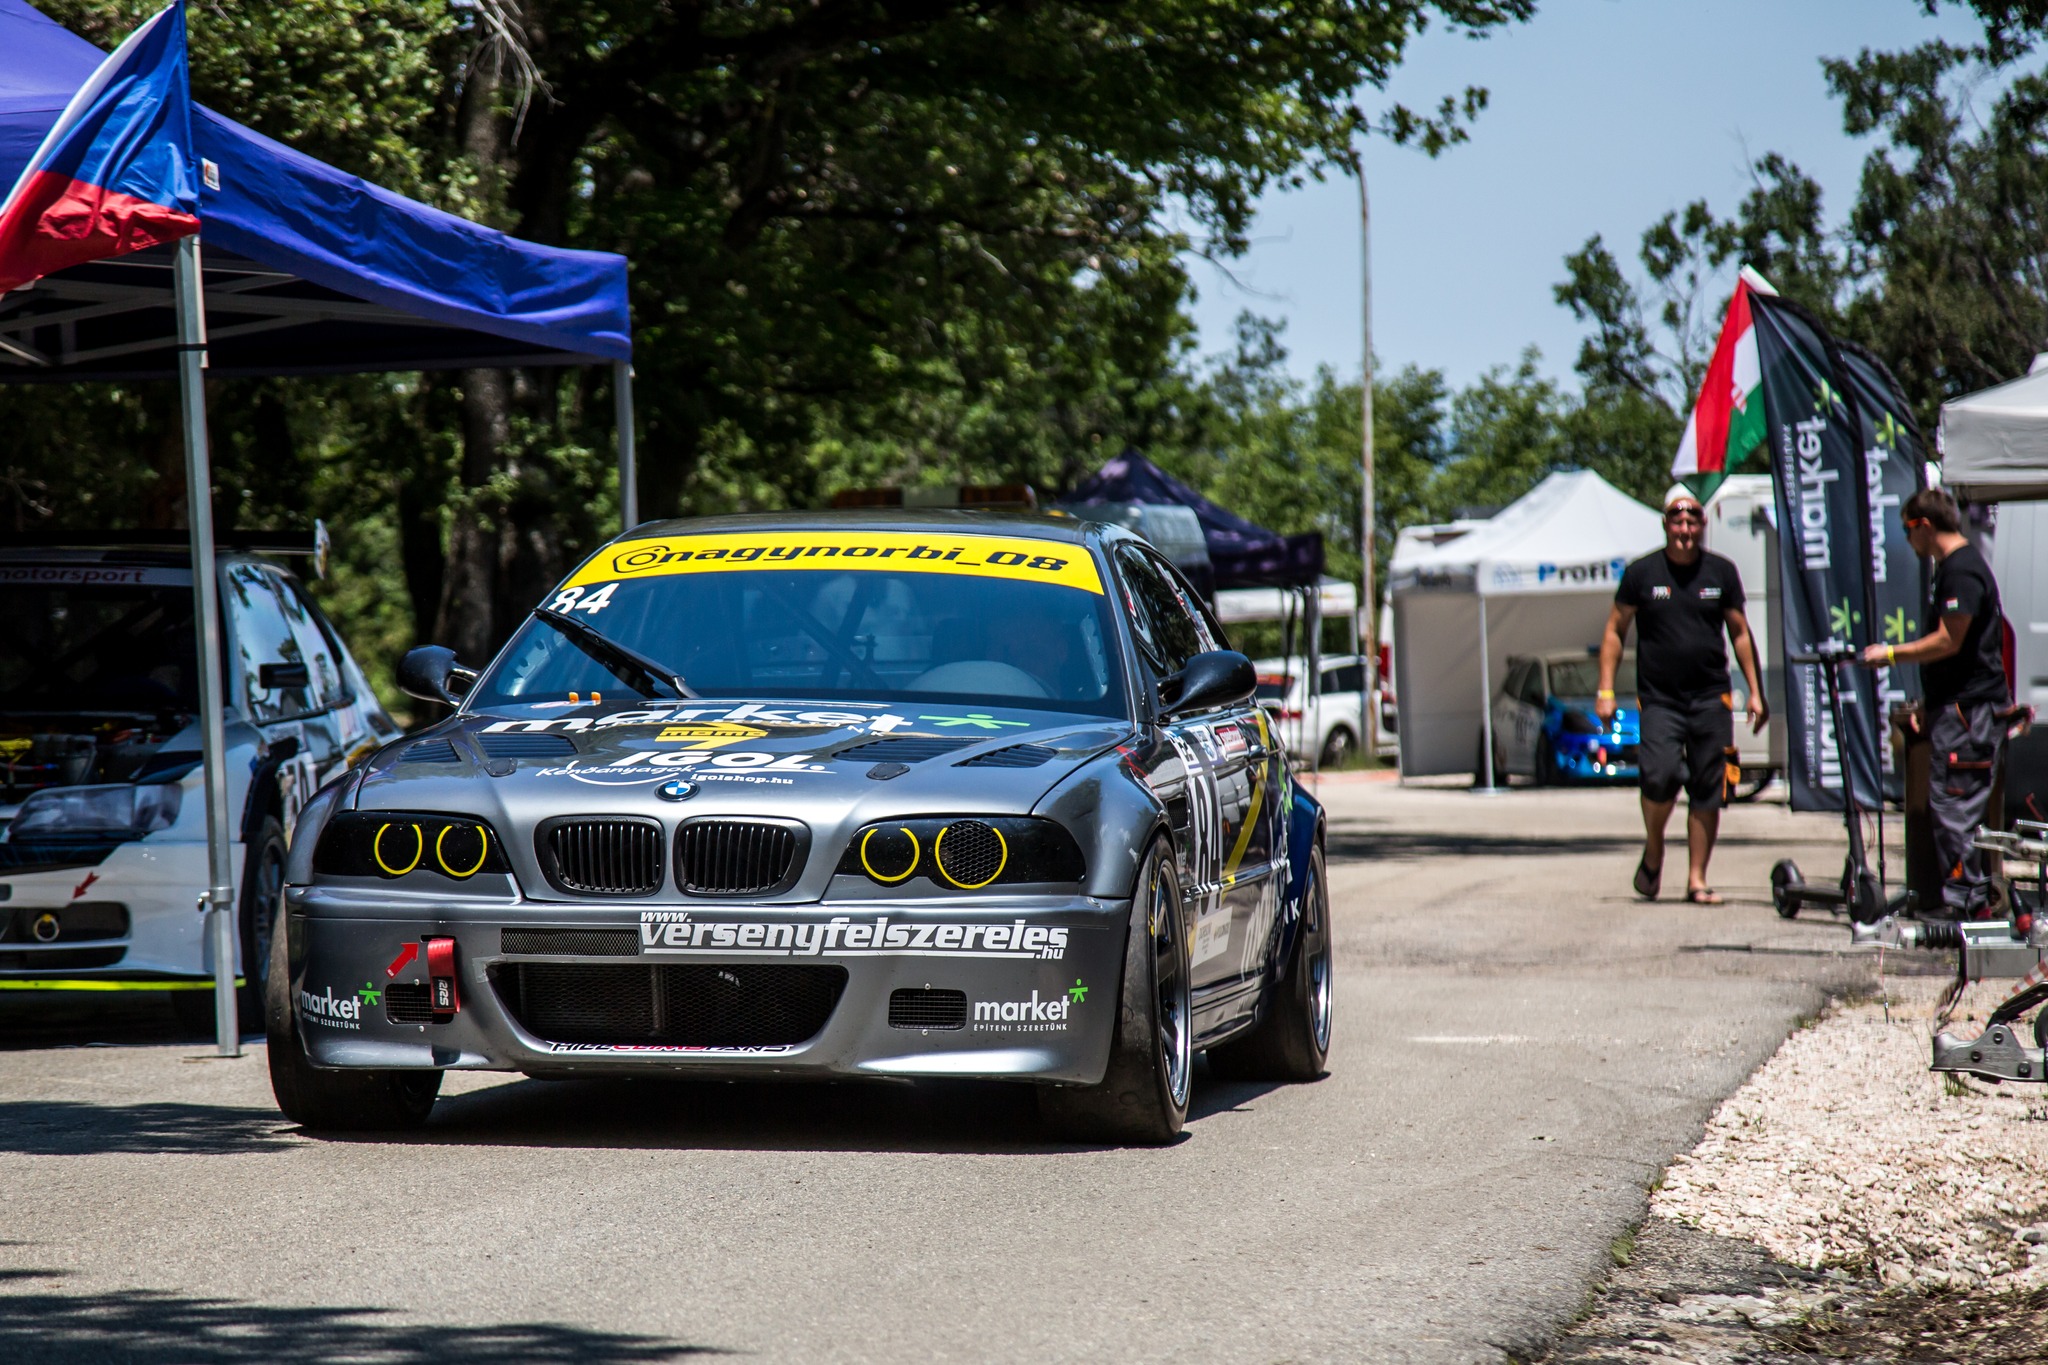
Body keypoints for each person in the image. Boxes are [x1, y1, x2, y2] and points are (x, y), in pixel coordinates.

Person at [1597, 488, 1768, 904]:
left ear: (1702, 526)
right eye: (1677, 520)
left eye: (1692, 520)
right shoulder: (1642, 574)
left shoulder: (1721, 573)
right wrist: (1605, 689)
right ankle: (1654, 848)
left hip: (1711, 697)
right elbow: (1614, 632)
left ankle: (1696, 879)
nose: (1685, 529)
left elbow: (1740, 634)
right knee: (1659, 775)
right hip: (1659, 699)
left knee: (1709, 787)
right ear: (1665, 524)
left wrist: (1755, 692)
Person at [1858, 488, 2011, 917]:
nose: (1908, 541)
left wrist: (1888, 654)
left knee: (1954, 805)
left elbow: (1950, 640)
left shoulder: (1960, 571)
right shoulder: (1952, 568)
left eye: (1908, 530)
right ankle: (1966, 899)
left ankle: (1967, 905)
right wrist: (1930, 701)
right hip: (1956, 707)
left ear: (1924, 525)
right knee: (1951, 804)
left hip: (1969, 714)